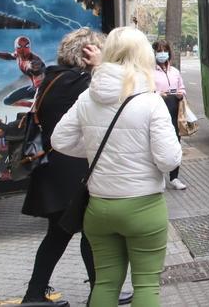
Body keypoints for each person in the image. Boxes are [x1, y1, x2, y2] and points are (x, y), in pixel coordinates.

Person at [52, 27, 182, 307]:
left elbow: (59, 140)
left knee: (106, 283)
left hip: (99, 209)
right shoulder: (150, 100)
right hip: (144, 207)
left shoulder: (88, 97)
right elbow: (169, 160)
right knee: (146, 285)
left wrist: (91, 152)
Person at [19, 28, 105, 307]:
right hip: (69, 170)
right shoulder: (78, 82)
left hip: (57, 170)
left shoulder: (55, 78)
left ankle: (37, 294)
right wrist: (101, 68)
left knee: (63, 233)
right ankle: (99, 294)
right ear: (87, 53)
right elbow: (112, 95)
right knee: (83, 232)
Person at [151, 39, 187, 190]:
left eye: (164, 51)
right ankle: (157, 177)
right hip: (157, 110)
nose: (162, 54)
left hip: (174, 111)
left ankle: (174, 177)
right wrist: (159, 94)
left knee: (175, 143)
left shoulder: (175, 72)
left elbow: (183, 89)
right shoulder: (149, 72)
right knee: (157, 142)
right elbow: (147, 90)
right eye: (159, 51)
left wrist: (180, 94)